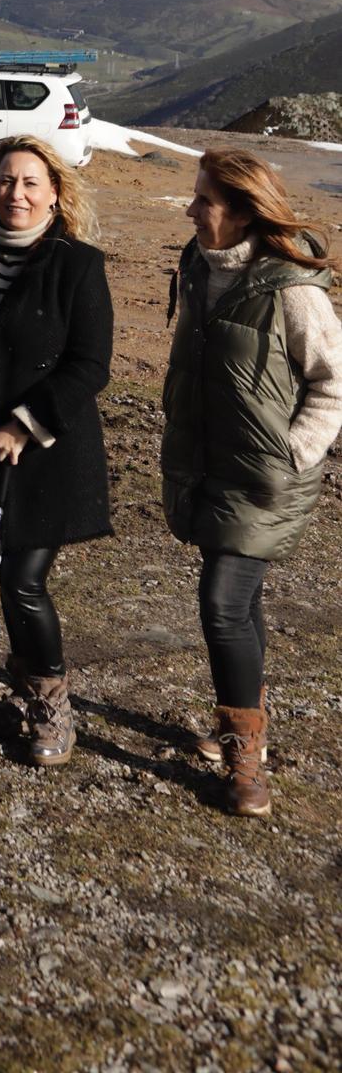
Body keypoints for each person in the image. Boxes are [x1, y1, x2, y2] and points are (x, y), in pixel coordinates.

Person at [162, 149, 342, 818]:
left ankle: (244, 763)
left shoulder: (289, 286)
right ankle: (249, 730)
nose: (189, 209)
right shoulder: (197, 264)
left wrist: (290, 454)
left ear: (240, 212)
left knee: (220, 602)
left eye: (202, 200)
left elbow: (331, 380)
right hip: (209, 466)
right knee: (240, 603)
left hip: (265, 477)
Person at [0, 134, 112, 765]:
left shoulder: (78, 265)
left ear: (54, 193)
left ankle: (52, 702)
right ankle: (23, 684)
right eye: (7, 181)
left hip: (49, 454)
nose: (18, 194)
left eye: (32, 183)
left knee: (23, 580)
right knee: (7, 578)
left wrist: (22, 423)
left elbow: (90, 365)